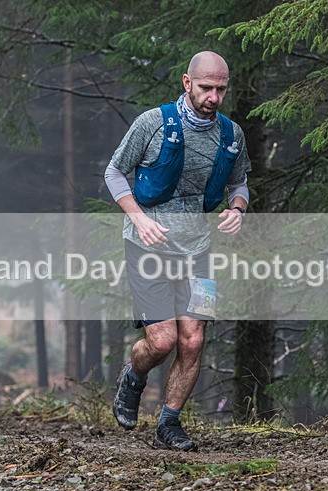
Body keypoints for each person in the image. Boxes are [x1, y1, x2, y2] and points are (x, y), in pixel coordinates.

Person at [103, 51, 252, 451]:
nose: (214, 97)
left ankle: (169, 423)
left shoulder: (231, 135)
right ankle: (133, 376)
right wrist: (139, 218)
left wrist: (237, 208)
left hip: (198, 251)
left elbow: (239, 184)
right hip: (147, 246)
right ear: (187, 83)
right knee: (163, 341)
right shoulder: (152, 123)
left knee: (193, 340)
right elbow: (114, 171)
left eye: (221, 89)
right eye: (206, 87)